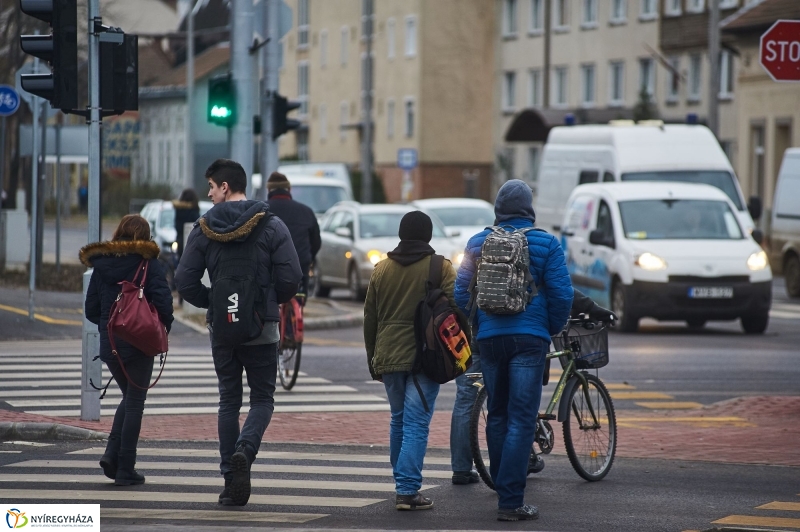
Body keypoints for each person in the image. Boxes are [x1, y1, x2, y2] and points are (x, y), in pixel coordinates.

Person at [175, 159, 302, 507]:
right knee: (262, 399)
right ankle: (245, 449)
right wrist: (269, 302)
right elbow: (291, 277)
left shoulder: (203, 229)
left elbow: (185, 281)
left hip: (222, 331)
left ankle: (230, 482)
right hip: (262, 327)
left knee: (228, 401)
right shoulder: (271, 225)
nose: (210, 194)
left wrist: (214, 304)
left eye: (212, 187)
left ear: (225, 187)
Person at [454, 179, 573, 522]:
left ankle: (501, 489)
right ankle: (510, 500)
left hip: (490, 340)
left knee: (499, 414)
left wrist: (479, 324)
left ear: (498, 208)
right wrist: (546, 329)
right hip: (529, 340)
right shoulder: (546, 242)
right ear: (528, 209)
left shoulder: (478, 243)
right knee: (522, 418)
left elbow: (461, 292)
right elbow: (563, 295)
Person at [449, 288, 616, 483]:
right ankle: (517, 471)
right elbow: (562, 290)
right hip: (525, 333)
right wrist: (587, 312)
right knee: (522, 403)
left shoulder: (477, 255)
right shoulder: (539, 256)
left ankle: (461, 469)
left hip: (480, 332)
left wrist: (476, 320)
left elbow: (460, 292)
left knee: (467, 399)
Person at [364, 211, 459, 511]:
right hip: (425, 355)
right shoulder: (440, 267)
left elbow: (370, 319)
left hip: (388, 354)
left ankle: (402, 480)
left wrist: (373, 360)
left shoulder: (381, 269)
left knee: (399, 419)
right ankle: (406, 490)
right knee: (416, 423)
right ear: (428, 235)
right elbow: (457, 310)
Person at [80, 214, 174, 486]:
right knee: (135, 403)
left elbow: (91, 310)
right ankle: (125, 467)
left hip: (110, 344)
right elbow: (165, 304)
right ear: (144, 237)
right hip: (139, 343)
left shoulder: (101, 264)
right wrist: (160, 327)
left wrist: (109, 325)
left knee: (129, 398)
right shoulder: (148, 263)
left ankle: (112, 456)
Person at [265, 172, 321, 299]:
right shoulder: (306, 211)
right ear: (289, 189)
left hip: (271, 267)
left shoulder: (261, 211)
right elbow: (316, 242)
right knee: (298, 297)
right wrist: (308, 257)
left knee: (271, 299)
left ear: (268, 190)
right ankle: (298, 312)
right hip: (300, 266)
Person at [173, 188, 200, 261]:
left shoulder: (179, 209)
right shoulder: (194, 210)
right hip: (193, 241)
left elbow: (177, 226)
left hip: (180, 240)